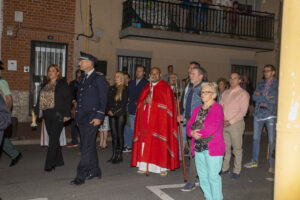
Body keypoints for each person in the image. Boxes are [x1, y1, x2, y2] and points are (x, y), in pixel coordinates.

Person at [131, 67, 179, 176]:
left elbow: (169, 108)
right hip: (146, 121)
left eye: (156, 73)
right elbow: (139, 105)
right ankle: (143, 165)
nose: (154, 75)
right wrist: (144, 103)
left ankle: (162, 167)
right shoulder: (146, 88)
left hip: (160, 122)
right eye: (152, 73)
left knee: (160, 142)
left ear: (160, 75)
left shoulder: (165, 88)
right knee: (145, 141)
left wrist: (154, 103)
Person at [70, 52, 108, 186]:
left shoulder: (99, 78)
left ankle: (81, 175)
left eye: (82, 61)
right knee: (89, 145)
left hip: (93, 117)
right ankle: (96, 171)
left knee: (85, 147)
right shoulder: (83, 78)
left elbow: (103, 100)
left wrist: (99, 116)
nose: (79, 63)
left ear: (90, 63)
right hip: (82, 117)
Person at [187, 82, 225, 200]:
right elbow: (189, 126)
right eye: (202, 92)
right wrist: (191, 132)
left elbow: (212, 127)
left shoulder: (217, 108)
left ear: (213, 95)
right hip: (198, 148)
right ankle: (209, 198)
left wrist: (197, 133)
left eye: (206, 92)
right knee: (203, 177)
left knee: (213, 177)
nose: (203, 94)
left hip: (212, 148)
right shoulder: (197, 109)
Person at [35, 64, 71, 172]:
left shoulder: (62, 84)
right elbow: (40, 99)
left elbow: (68, 100)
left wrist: (67, 114)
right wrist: (36, 112)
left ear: (58, 73)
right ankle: (59, 160)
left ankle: (49, 164)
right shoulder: (45, 84)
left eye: (53, 70)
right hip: (47, 115)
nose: (50, 72)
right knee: (53, 138)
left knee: (53, 139)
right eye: (49, 71)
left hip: (58, 115)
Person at [244, 64, 278, 173]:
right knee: (255, 139)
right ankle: (254, 161)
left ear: (273, 72)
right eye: (264, 71)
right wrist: (267, 96)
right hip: (258, 113)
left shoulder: (277, 84)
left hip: (270, 114)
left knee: (272, 140)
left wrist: (261, 96)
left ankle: (272, 165)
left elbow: (274, 99)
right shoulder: (260, 83)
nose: (265, 73)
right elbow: (254, 97)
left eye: (268, 71)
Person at [180, 62, 206, 191]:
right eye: (190, 73)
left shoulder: (204, 89)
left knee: (195, 153)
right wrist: (183, 116)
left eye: (194, 73)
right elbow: (188, 105)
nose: (190, 75)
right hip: (189, 123)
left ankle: (192, 181)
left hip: (198, 125)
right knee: (194, 153)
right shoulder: (190, 88)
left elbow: (206, 108)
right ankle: (198, 177)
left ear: (200, 76)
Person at [220, 72, 249, 179]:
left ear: (240, 80)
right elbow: (220, 107)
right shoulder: (225, 93)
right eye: (231, 78)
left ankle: (237, 170)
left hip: (236, 124)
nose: (232, 80)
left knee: (237, 149)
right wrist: (221, 120)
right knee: (225, 148)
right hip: (224, 124)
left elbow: (243, 112)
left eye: (235, 78)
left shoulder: (243, 94)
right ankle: (225, 168)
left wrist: (230, 122)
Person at [0, 61, 22, 167]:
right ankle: (15, 154)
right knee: (2, 138)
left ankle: (15, 154)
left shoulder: (1, 81)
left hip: (1, 114)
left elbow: (8, 98)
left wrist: (6, 114)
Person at [107, 72, 129, 164]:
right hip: (111, 114)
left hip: (120, 114)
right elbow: (107, 101)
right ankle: (114, 155)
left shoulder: (125, 89)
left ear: (122, 78)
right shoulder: (111, 88)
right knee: (114, 135)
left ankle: (119, 155)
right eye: (115, 76)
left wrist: (114, 111)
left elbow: (123, 103)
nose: (116, 78)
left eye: (118, 77)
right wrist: (108, 110)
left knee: (120, 134)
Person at [124, 66, 147, 152]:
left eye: (140, 71)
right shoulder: (131, 83)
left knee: (135, 129)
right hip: (129, 109)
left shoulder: (146, 83)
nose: (138, 73)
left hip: (139, 110)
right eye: (137, 71)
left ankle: (138, 146)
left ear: (144, 73)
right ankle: (128, 145)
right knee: (127, 128)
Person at [67, 69, 82, 148]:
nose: (80, 75)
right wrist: (73, 101)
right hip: (74, 106)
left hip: (82, 106)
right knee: (73, 124)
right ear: (76, 74)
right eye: (79, 73)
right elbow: (69, 94)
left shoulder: (84, 83)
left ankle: (82, 142)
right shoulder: (73, 83)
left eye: (81, 73)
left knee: (81, 124)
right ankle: (74, 140)